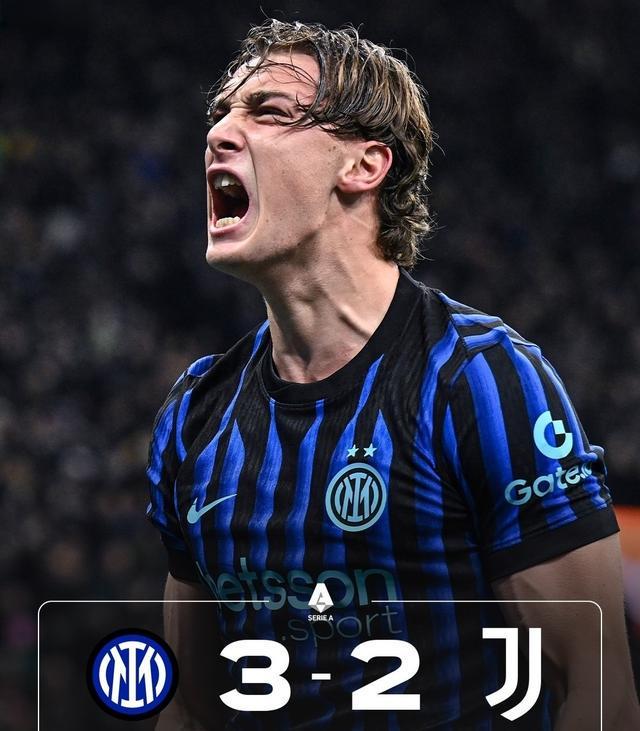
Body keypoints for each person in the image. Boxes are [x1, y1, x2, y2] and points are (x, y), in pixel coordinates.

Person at [146, 19, 639, 730]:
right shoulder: (198, 412)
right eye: (221, 113)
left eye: (268, 111)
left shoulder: (480, 379)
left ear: (364, 164)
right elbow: (189, 707)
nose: (219, 133)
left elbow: (601, 696)